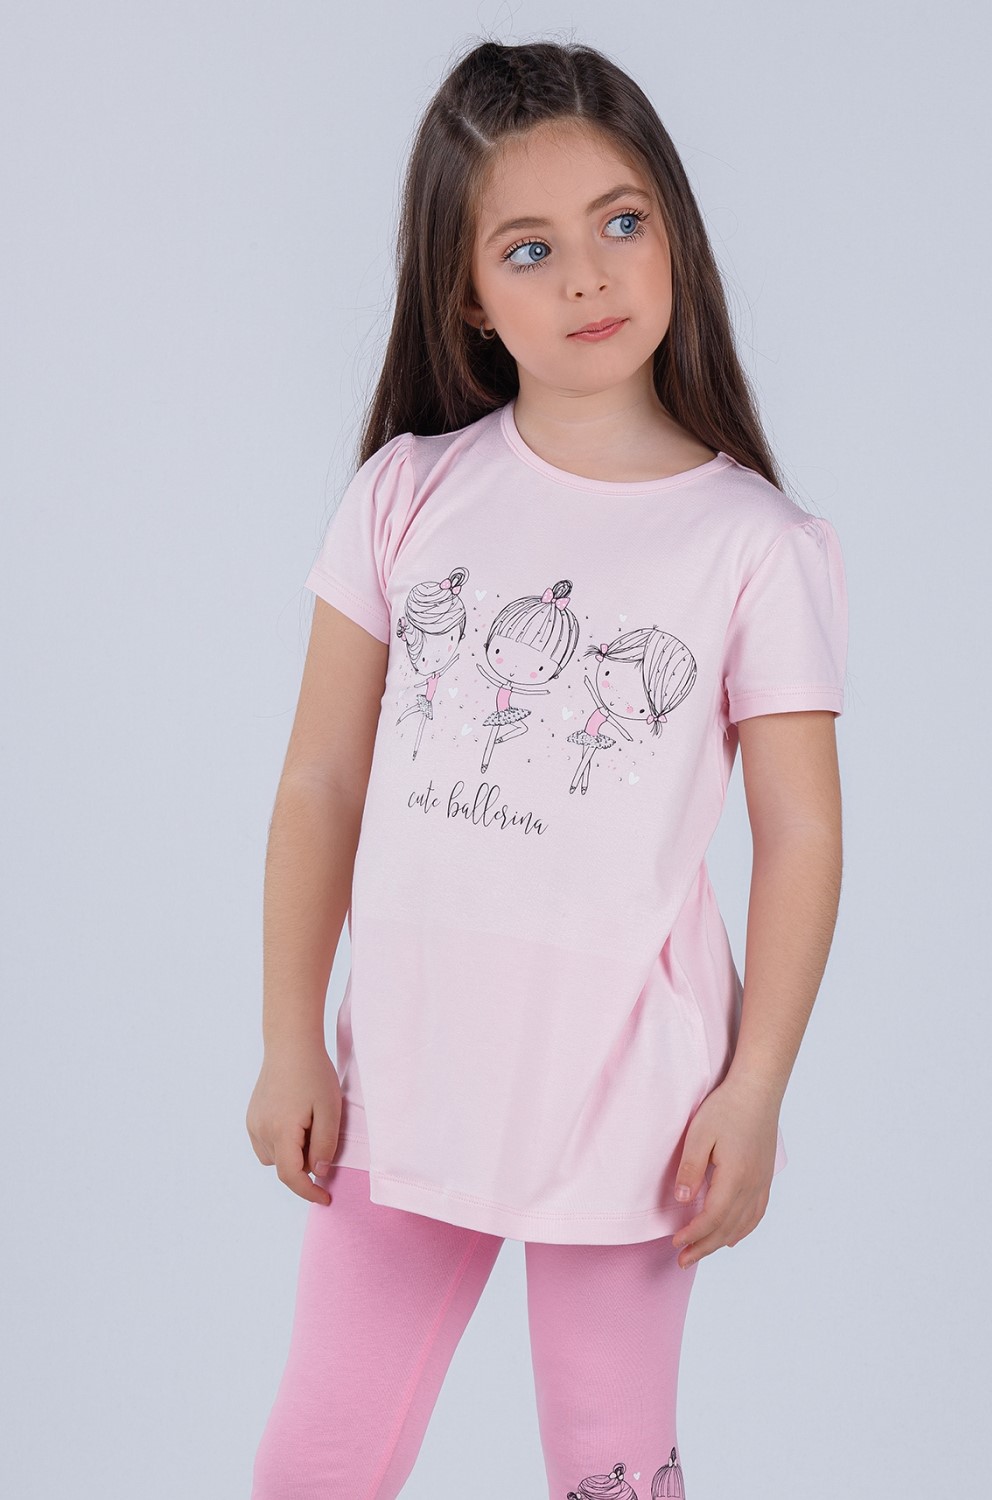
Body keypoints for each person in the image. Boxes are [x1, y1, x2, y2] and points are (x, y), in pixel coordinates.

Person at [245, 35, 849, 1500]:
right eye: (530, 248)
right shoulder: (406, 496)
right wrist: (288, 1038)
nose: (587, 277)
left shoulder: (755, 547)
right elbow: (320, 783)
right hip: (407, 1075)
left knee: (607, 1468)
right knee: (320, 1460)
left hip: (635, 1101)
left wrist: (755, 1087)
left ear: (673, 232)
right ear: (467, 294)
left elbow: (799, 834)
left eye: (619, 222)